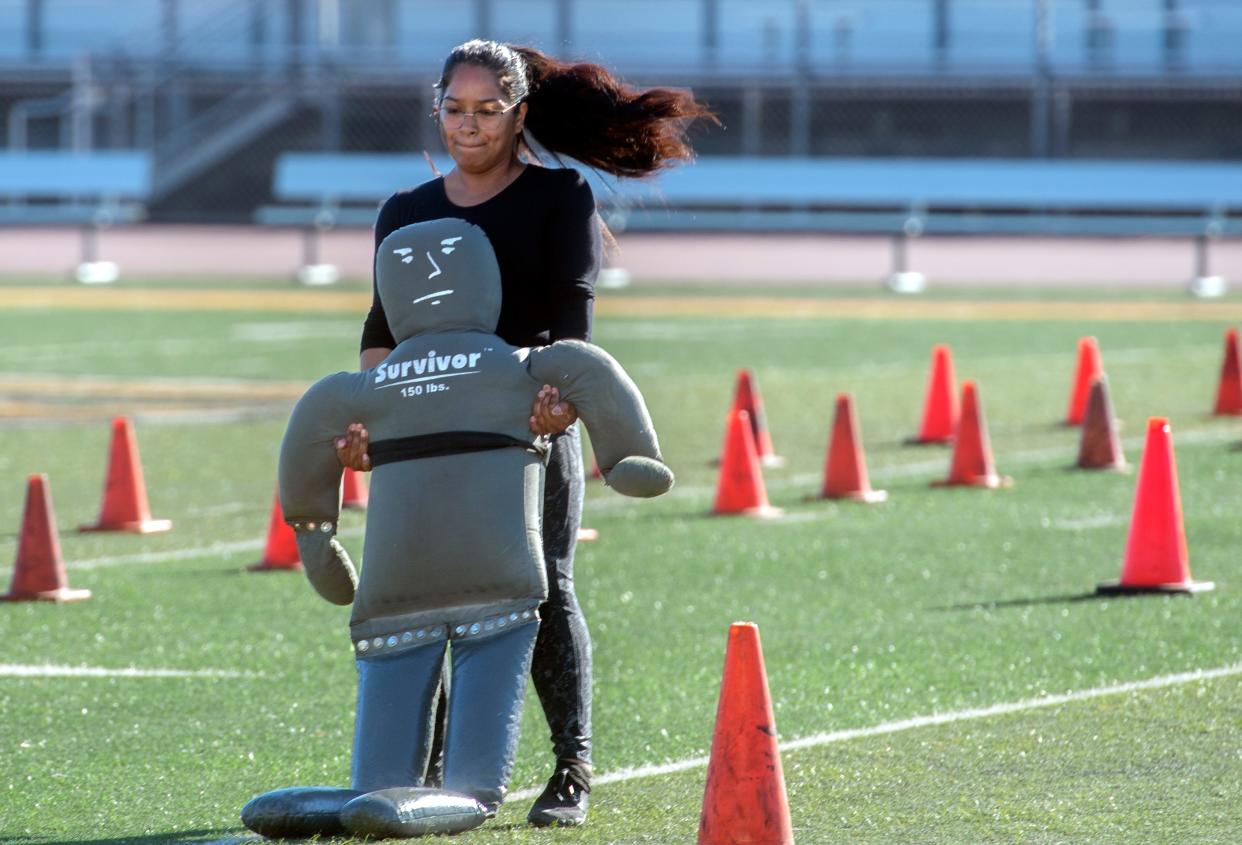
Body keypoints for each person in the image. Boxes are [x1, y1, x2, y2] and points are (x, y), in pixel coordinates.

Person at [334, 38, 714, 827]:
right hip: (428, 444)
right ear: (435, 108)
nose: (468, 126)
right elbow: (382, 330)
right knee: (426, 597)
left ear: (519, 115)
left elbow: (572, 322)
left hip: (525, 436)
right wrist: (374, 411)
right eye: (454, 109)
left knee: (543, 590)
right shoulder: (406, 212)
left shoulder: (559, 196)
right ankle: (432, 768)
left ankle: (570, 763)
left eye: (487, 111)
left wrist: (559, 401)